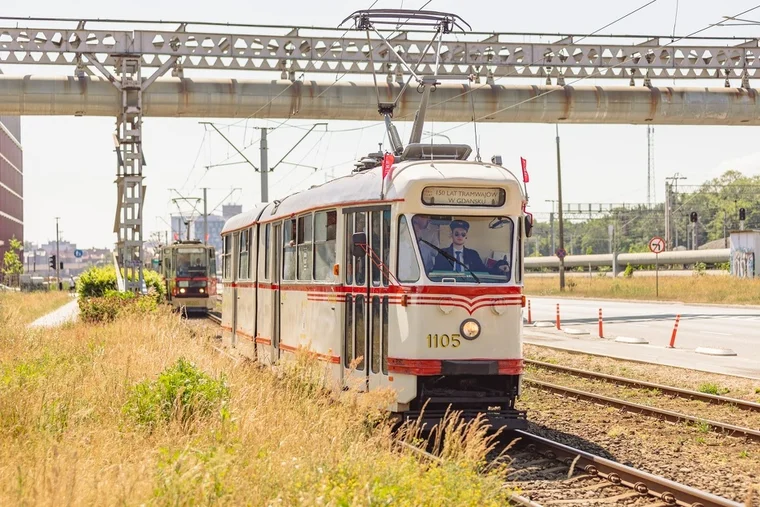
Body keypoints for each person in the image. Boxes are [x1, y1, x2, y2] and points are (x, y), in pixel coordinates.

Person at [432, 220, 509, 276]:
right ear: (451, 235)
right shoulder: (442, 254)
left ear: (466, 236)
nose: (460, 236)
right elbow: (436, 274)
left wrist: (499, 268)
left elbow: (483, 271)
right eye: (456, 234)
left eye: (463, 234)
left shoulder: (473, 254)